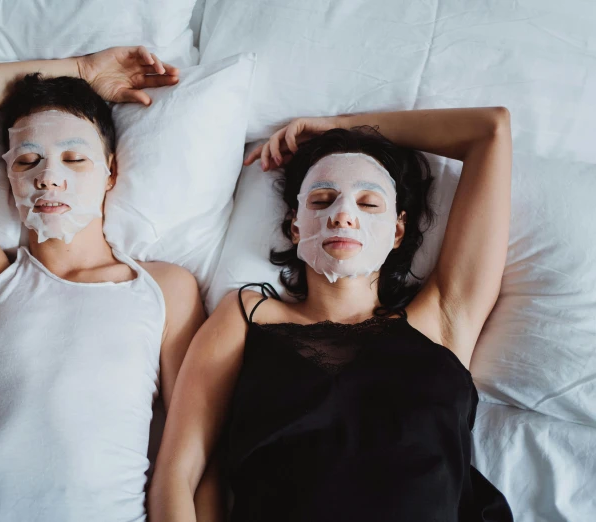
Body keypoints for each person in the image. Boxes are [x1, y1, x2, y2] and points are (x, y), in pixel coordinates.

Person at [0, 46, 218, 521]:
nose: (49, 177)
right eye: (27, 161)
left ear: (111, 171)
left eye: (73, 158)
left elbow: (197, 454)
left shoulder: (164, 290)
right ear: (8, 178)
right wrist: (81, 70)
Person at [149, 108, 515, 521]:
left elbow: (490, 131)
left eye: (368, 202)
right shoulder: (247, 316)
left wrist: (343, 124)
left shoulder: (445, 316)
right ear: (295, 227)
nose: (343, 214)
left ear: (398, 230)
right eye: (322, 200)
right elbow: (177, 475)